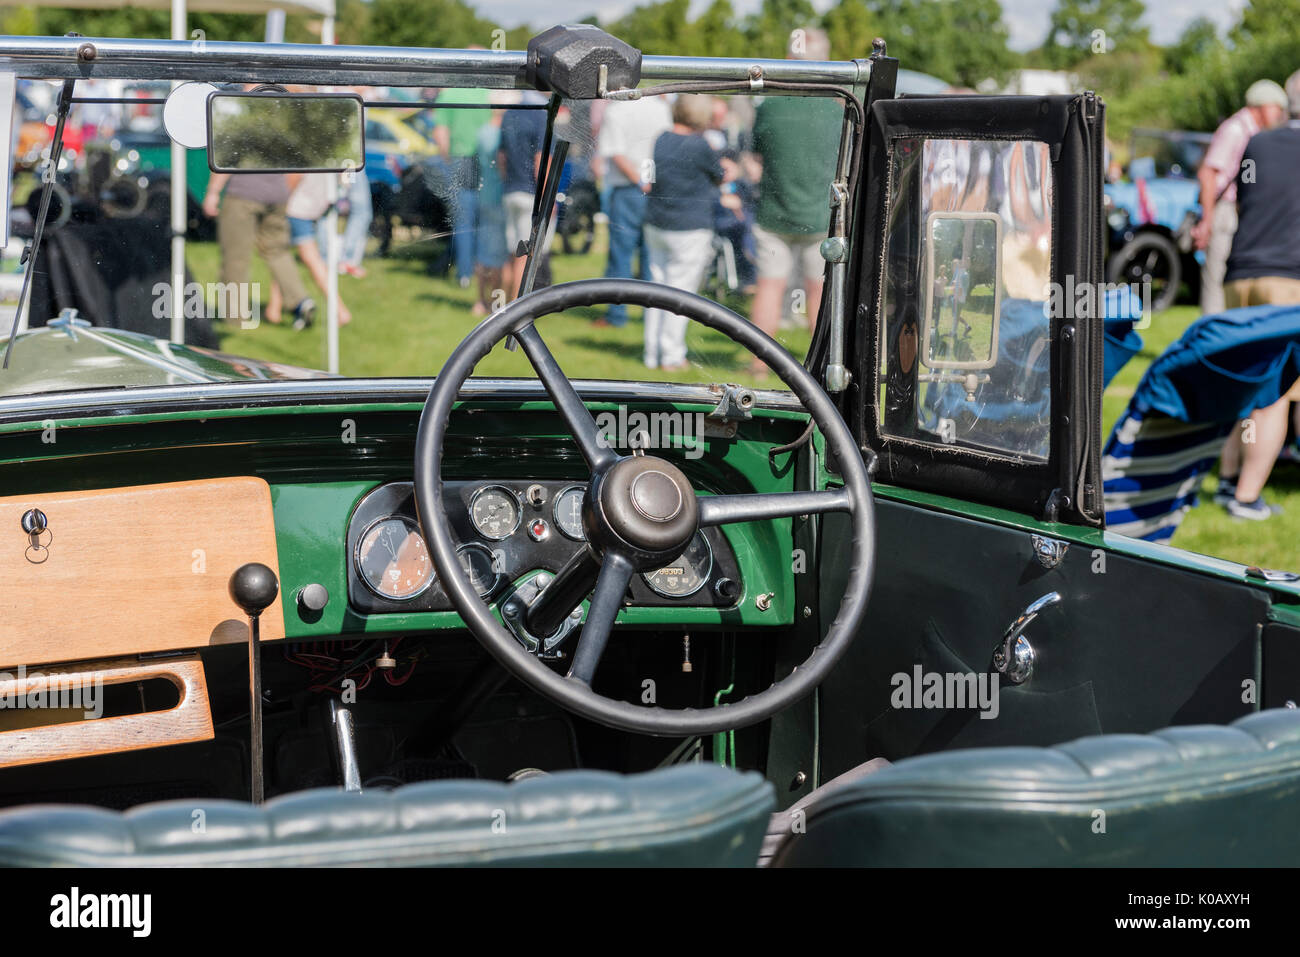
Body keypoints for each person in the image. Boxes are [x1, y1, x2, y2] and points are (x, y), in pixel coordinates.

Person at [1213, 69, 1300, 520]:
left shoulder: (1260, 142)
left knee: (1247, 384)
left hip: (1240, 276)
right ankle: (1247, 497)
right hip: (1287, 282)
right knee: (1276, 395)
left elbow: (1247, 200)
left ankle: (1229, 480)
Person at [748, 28, 842, 374]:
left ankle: (759, 364)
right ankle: (820, 367)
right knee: (818, 293)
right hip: (820, 217)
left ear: (789, 59)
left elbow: (757, 155)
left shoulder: (770, 108)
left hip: (774, 214)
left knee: (769, 288)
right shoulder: (836, 110)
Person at [642, 94, 731, 371]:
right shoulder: (700, 145)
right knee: (680, 292)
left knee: (655, 289)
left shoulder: (661, 138)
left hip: (656, 222)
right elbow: (720, 175)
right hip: (689, 227)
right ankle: (671, 356)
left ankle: (651, 353)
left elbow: (650, 176)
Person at [1192, 79, 1287, 315]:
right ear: (1262, 105)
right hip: (1224, 211)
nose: (1280, 114)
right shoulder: (1235, 129)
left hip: (1240, 212)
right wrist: (1207, 220)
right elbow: (1208, 173)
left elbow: (1249, 177)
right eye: (1277, 107)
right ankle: (1212, 342)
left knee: (1234, 279)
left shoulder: (1253, 133)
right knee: (1217, 279)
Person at [595, 95, 672, 327]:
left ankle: (617, 315)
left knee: (621, 255)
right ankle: (652, 314)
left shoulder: (616, 110)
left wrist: (640, 181)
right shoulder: (661, 108)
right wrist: (648, 182)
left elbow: (617, 154)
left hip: (629, 188)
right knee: (652, 256)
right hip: (653, 185)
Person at [203, 171, 314, 328]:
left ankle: (235, 317)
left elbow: (225, 158)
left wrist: (213, 192)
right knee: (277, 251)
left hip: (243, 194)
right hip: (278, 194)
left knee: (235, 256)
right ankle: (300, 300)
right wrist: (283, 193)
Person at [270, 172, 352, 327]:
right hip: (316, 203)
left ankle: (341, 311)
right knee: (280, 256)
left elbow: (294, 176)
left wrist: (279, 201)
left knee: (309, 257)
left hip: (297, 206)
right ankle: (274, 310)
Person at [431, 79, 491, 289]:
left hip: (459, 158)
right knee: (485, 219)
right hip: (486, 160)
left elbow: (441, 133)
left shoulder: (449, 95)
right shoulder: (487, 93)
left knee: (463, 220)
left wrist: (447, 158)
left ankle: (464, 274)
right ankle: (484, 269)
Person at [498, 92, 553, 298]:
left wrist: (508, 182)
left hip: (510, 190)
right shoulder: (541, 115)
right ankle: (515, 310)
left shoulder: (510, 113)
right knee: (524, 257)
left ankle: (503, 309)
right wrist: (547, 197)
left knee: (510, 256)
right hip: (531, 194)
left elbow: (501, 157)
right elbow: (541, 160)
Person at [471, 93, 511, 317]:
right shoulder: (502, 134)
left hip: (484, 194)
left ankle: (480, 300)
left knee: (483, 252)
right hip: (500, 196)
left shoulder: (482, 132)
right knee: (500, 257)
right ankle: (497, 303)